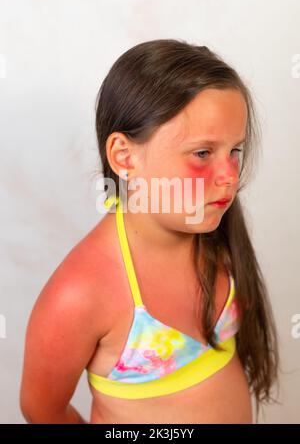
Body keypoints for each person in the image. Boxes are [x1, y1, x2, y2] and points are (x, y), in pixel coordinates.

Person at [20, 39, 280, 424]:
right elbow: (42, 409)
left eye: (234, 151)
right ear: (125, 157)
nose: (229, 177)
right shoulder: (79, 294)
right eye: (203, 154)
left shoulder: (214, 236)